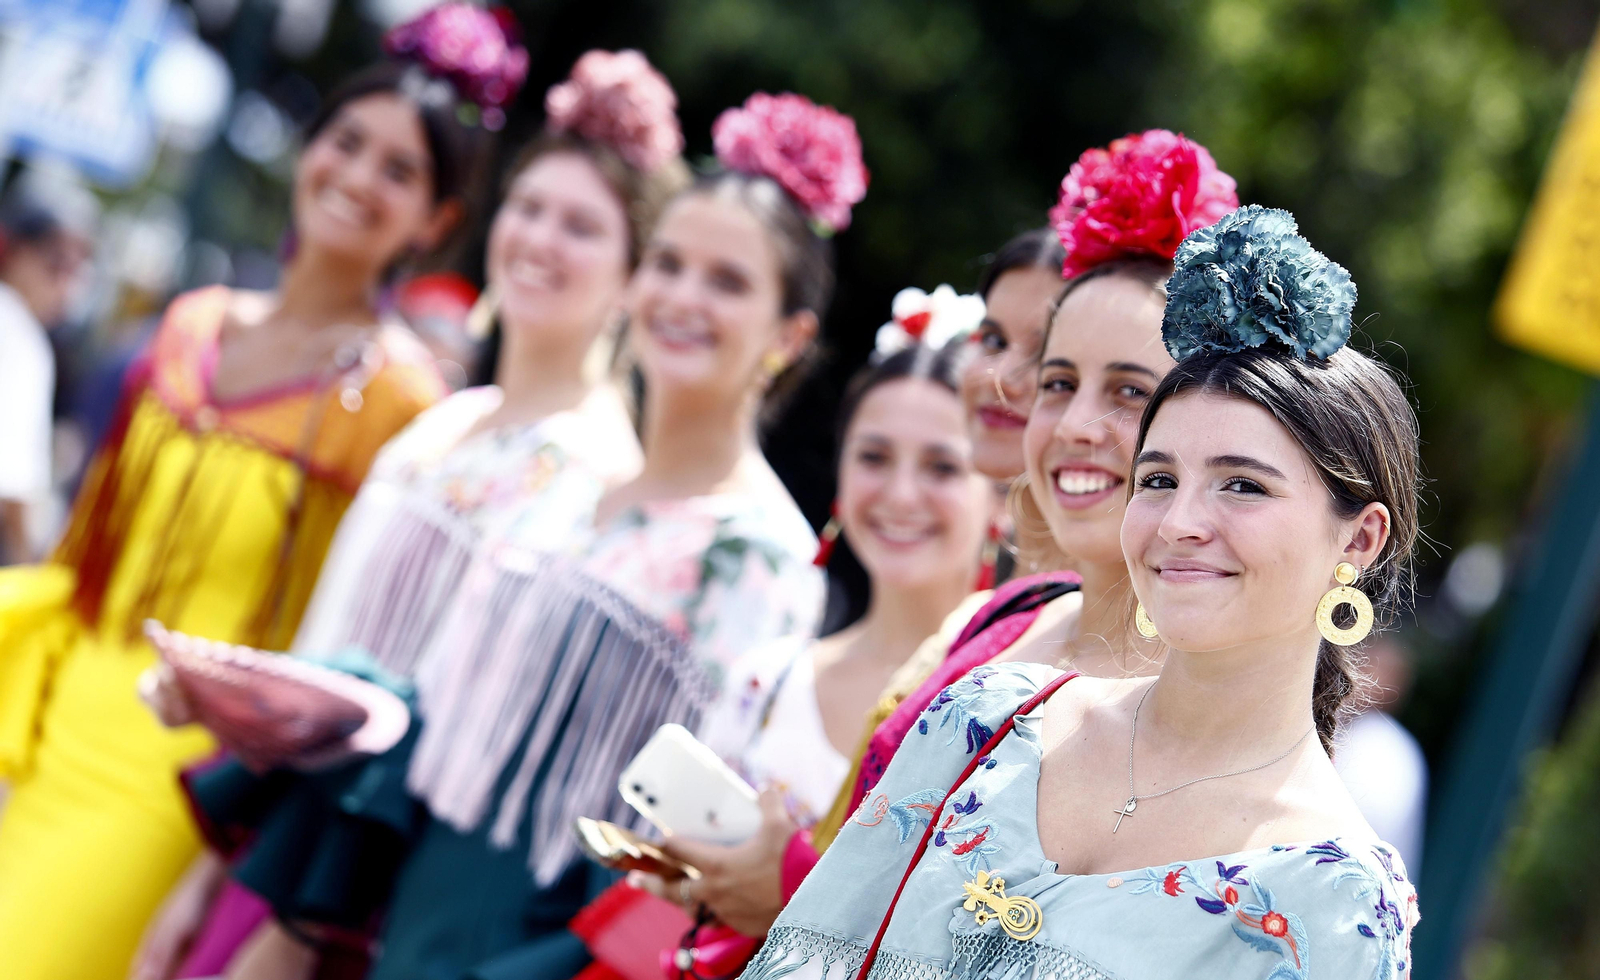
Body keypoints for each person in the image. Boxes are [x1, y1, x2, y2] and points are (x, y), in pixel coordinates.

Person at [743, 204, 1422, 980]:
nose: (1181, 523)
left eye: (1242, 485)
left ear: (1360, 538)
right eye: (1159, 479)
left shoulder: (1334, 903)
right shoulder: (988, 718)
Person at [133, 46, 685, 980]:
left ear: (635, 276)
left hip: (372, 896)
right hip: (280, 844)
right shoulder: (444, 424)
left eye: (583, 228)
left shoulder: (604, 477)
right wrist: (205, 873)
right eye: (530, 208)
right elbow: (325, 645)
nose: (541, 241)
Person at [0, 4, 516, 976]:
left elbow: (350, 644)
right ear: (310, 147)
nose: (359, 177)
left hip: (177, 774)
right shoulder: (194, 321)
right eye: (348, 142)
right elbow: (87, 554)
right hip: (55, 718)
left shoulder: (404, 403)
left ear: (437, 220)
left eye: (399, 171)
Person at [635, 132, 1242, 955]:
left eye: (1130, 393)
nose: (1071, 424)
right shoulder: (1006, 615)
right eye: (1057, 383)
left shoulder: (1185, 705)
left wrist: (785, 887)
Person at [598, 299, 994, 976]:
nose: (901, 494)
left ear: (1001, 495)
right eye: (874, 456)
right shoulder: (769, 679)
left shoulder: (1009, 709)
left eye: (941, 467)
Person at [0, 174, 95, 564]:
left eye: (76, 271)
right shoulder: (19, 335)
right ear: (11, 250)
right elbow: (14, 492)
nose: (67, 289)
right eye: (56, 266)